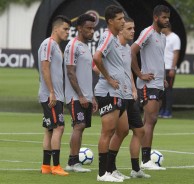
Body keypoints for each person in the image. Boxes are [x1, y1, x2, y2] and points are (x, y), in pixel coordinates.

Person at [109, 17, 151, 179]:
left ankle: (135, 169)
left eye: (134, 28)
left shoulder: (127, 49)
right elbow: (96, 66)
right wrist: (112, 81)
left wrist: (134, 88)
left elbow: (128, 72)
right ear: (120, 30)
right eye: (129, 28)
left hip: (129, 95)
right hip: (116, 95)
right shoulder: (112, 47)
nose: (133, 31)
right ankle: (110, 169)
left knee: (139, 130)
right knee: (121, 131)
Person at [131, 4, 170, 170]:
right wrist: (139, 74)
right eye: (164, 17)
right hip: (148, 84)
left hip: (158, 83)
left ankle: (145, 159)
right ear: (156, 17)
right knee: (150, 119)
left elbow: (159, 59)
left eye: (168, 18)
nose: (167, 20)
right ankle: (145, 161)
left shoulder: (163, 37)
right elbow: (132, 51)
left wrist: (164, 78)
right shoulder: (147, 32)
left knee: (151, 121)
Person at [93, 5, 127, 182]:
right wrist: (109, 78)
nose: (123, 21)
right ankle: (102, 173)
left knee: (122, 129)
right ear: (110, 21)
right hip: (107, 91)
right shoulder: (107, 37)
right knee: (107, 131)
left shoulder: (114, 38)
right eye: (120, 19)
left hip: (118, 92)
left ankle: (110, 169)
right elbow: (97, 58)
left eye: (123, 18)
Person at [64, 14, 97, 173]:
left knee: (81, 127)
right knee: (79, 125)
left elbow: (86, 75)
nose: (92, 31)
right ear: (79, 28)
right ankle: (72, 162)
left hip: (86, 96)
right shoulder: (73, 46)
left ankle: (74, 161)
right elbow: (71, 73)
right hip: (75, 96)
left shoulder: (85, 47)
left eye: (93, 28)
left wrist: (92, 97)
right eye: (89, 28)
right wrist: (81, 96)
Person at [38, 15, 71, 176]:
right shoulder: (48, 44)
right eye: (65, 29)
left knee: (50, 130)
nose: (67, 32)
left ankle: (45, 166)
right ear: (56, 28)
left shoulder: (56, 46)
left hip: (55, 95)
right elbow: (45, 68)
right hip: (51, 96)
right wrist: (51, 92)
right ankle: (56, 166)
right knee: (59, 127)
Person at [159, 23, 181, 118]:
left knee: (168, 90)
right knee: (162, 91)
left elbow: (176, 53)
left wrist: (173, 68)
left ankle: (168, 111)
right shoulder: (162, 37)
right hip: (162, 68)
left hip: (169, 68)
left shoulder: (174, 38)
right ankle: (162, 109)